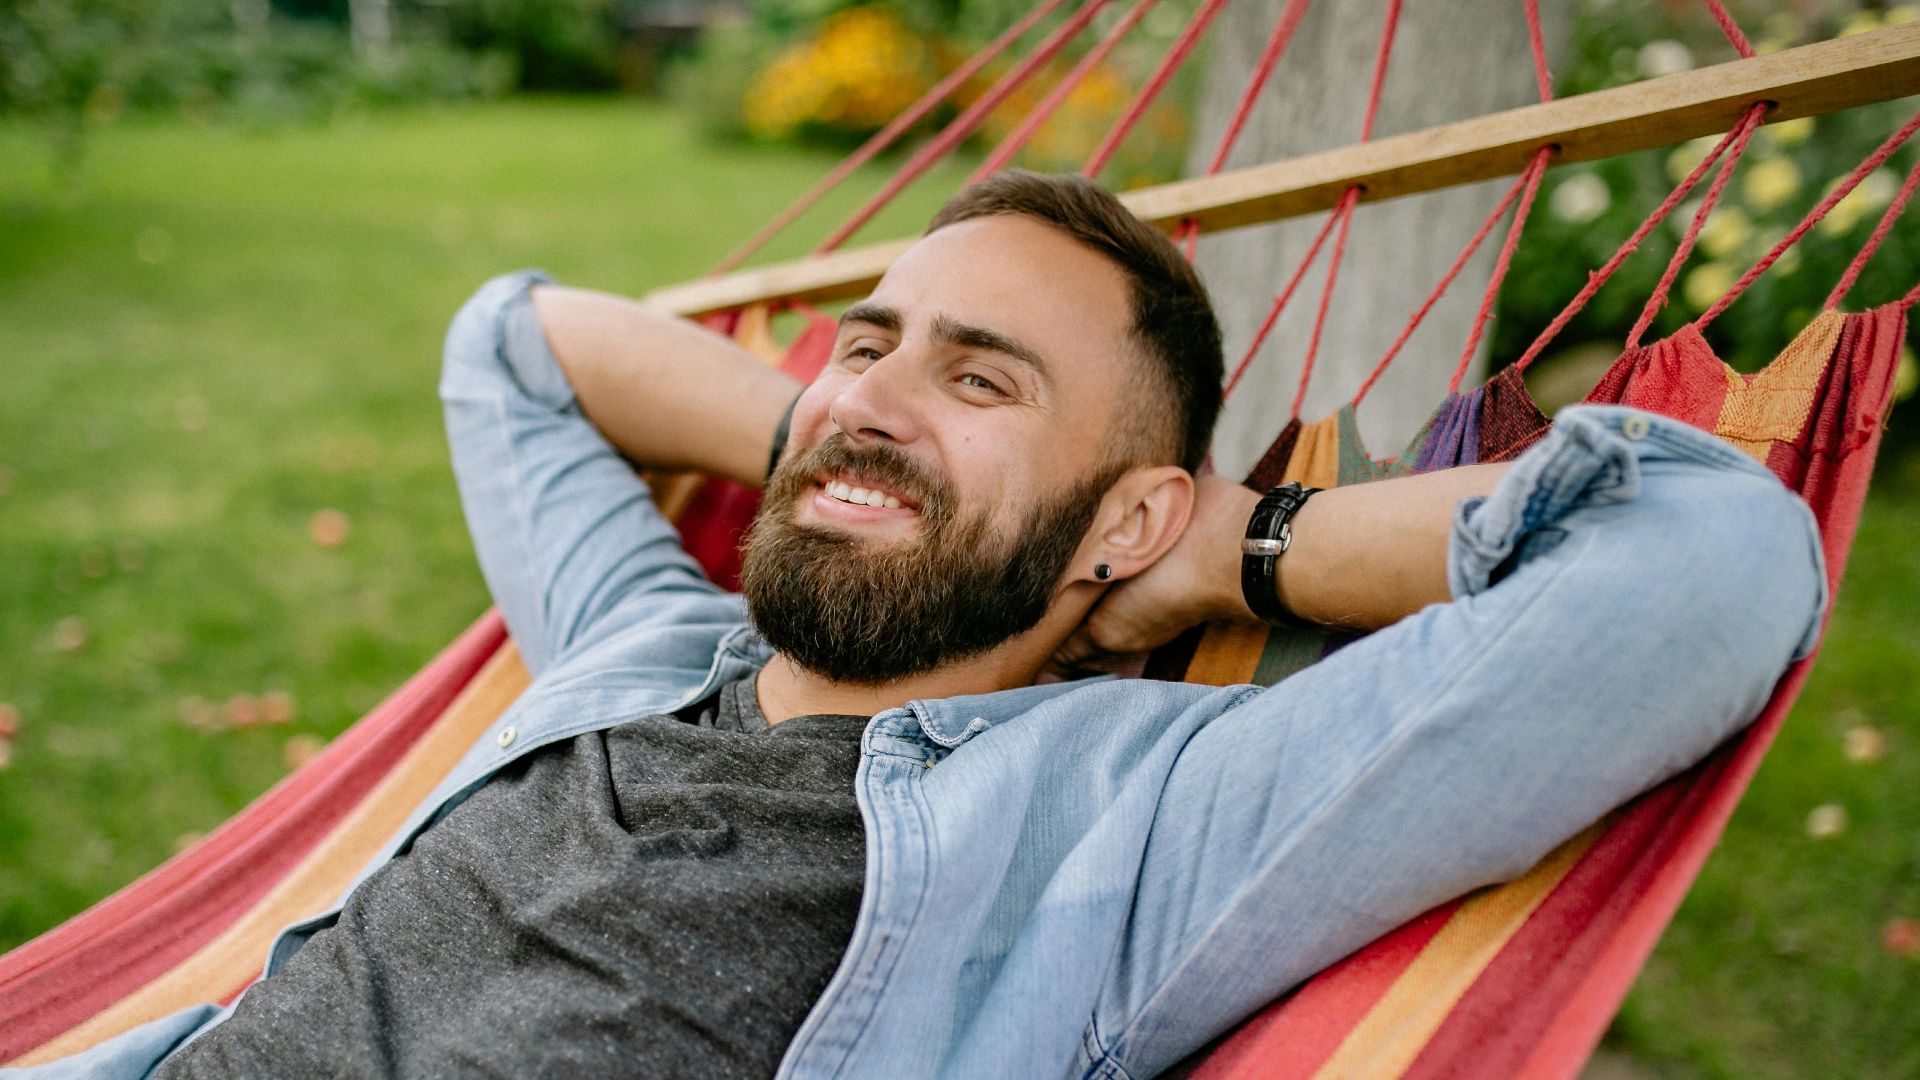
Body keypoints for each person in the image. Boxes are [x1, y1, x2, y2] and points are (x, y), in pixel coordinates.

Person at [24, 171, 1825, 1080]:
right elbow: (513, 340)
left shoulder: (1124, 834)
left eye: (985, 375)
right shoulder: (645, 641)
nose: (873, 390)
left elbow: (1709, 561)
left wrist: (1225, 550)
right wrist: (865, 448)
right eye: (867, 340)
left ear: (1126, 515)